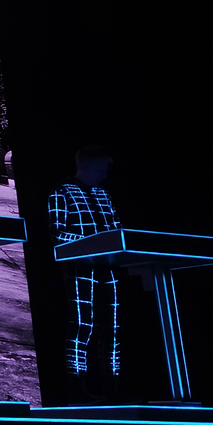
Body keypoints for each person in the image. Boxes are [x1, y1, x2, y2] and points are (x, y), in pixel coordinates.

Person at [48, 146, 123, 403]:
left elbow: (117, 229)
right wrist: (90, 243)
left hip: (108, 268)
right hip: (79, 269)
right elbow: (57, 233)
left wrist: (115, 243)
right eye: (102, 168)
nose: (105, 174)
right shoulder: (62, 192)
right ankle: (77, 387)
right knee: (81, 326)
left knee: (111, 328)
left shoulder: (104, 195)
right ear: (86, 166)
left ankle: (112, 387)